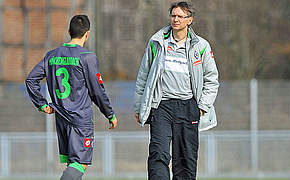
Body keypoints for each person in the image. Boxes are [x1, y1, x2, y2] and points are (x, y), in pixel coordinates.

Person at [25, 15, 118, 180]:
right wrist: (109, 114)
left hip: (61, 118)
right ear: (87, 34)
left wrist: (41, 104)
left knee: (73, 164)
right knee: (80, 163)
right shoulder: (87, 57)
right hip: (80, 118)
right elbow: (97, 91)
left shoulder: (51, 56)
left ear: (69, 31)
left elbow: (31, 79)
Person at [134, 1, 219, 180]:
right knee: (158, 154)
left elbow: (212, 79)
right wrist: (138, 106)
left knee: (186, 159)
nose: (176, 19)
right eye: (173, 15)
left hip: (189, 107)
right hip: (162, 106)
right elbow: (143, 75)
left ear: (190, 20)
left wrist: (202, 106)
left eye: (181, 16)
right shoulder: (156, 42)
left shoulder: (201, 46)